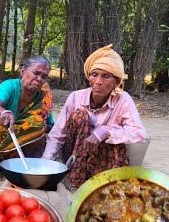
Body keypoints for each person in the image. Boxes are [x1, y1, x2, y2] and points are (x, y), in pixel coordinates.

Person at [42, 44, 147, 191]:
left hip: (102, 156)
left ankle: (104, 181)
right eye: (94, 75)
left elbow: (139, 133)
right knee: (80, 115)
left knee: (114, 135)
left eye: (106, 76)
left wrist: (106, 132)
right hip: (73, 154)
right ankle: (74, 178)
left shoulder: (123, 99)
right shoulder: (75, 97)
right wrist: (45, 163)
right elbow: (58, 133)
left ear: (116, 82)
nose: (98, 82)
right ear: (89, 77)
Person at [0, 55, 54, 180]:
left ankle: (26, 166)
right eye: (36, 73)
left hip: (27, 145)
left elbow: (51, 126)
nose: (39, 79)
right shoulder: (9, 86)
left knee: (37, 125)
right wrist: (4, 113)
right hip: (5, 135)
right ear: (22, 70)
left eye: (44, 77)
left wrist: (35, 127)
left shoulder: (43, 98)